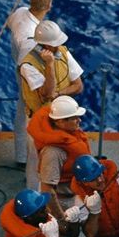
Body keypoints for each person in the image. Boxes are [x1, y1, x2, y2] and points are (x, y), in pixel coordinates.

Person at [27, 96, 93, 237]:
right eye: (74, 118)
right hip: (61, 201)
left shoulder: (69, 137)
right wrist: (60, 218)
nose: (79, 121)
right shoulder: (53, 152)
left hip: (72, 194)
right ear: (59, 121)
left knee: (74, 234)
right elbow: (47, 189)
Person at [19, 20, 83, 191]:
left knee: (62, 157)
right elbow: (47, 93)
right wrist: (49, 65)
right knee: (36, 161)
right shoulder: (28, 65)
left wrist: (59, 95)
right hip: (40, 120)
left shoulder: (63, 52)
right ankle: (34, 196)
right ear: (44, 45)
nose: (59, 46)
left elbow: (78, 85)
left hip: (63, 117)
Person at [6, 0, 53, 168]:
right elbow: (28, 60)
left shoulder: (20, 12)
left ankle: (21, 157)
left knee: (21, 111)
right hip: (27, 73)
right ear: (48, 5)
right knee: (30, 116)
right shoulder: (32, 37)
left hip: (19, 68)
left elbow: (11, 23)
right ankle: (30, 161)